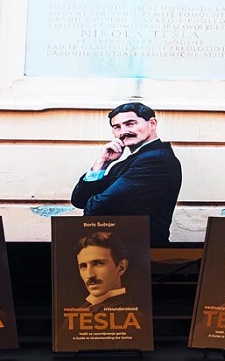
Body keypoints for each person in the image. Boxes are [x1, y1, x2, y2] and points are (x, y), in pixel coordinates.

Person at [70, 102, 182, 244]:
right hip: (124, 249)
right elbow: (79, 200)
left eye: (130, 124)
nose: (123, 132)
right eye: (117, 127)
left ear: (152, 123)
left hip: (143, 251)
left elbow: (99, 208)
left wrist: (94, 201)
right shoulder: (127, 163)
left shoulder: (155, 159)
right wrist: (102, 163)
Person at [75, 231, 132, 312]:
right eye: (83, 266)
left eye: (99, 263)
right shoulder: (86, 306)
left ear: (121, 267)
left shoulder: (125, 314)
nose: (90, 275)